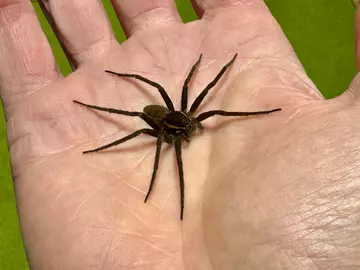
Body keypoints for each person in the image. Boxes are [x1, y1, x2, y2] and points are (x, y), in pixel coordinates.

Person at [1, 0, 359, 269]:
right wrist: (160, 176)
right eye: (184, 128)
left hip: (170, 112)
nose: (188, 129)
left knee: (213, 107)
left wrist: (220, 78)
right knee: (134, 118)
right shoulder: (162, 133)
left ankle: (255, 112)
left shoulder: (189, 113)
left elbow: (199, 94)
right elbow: (155, 134)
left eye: (186, 126)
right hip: (155, 117)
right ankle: (103, 128)